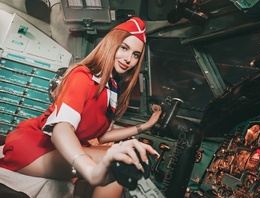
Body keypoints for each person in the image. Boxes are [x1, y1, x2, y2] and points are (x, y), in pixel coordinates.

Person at [0, 16, 162, 197]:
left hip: (57, 148)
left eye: (135, 55)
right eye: (124, 48)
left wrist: (144, 126)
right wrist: (90, 169)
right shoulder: (83, 76)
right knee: (125, 163)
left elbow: (101, 137)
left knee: (129, 156)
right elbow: (61, 128)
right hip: (34, 148)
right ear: (111, 44)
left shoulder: (110, 88)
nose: (128, 59)